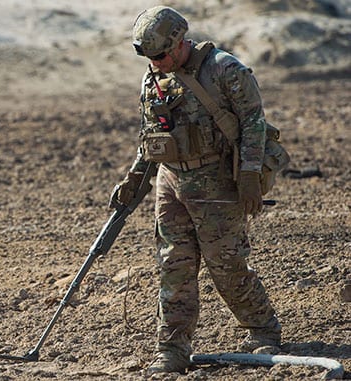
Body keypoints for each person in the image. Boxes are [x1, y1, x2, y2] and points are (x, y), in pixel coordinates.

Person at [109, 6, 281, 374]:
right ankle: (172, 348)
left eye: (160, 54)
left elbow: (254, 122)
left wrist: (250, 173)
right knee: (174, 265)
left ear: (178, 42)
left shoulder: (225, 69)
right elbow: (151, 136)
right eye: (149, 57)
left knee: (227, 264)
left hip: (217, 180)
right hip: (171, 182)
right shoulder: (153, 77)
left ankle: (262, 328)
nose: (156, 62)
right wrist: (134, 178)